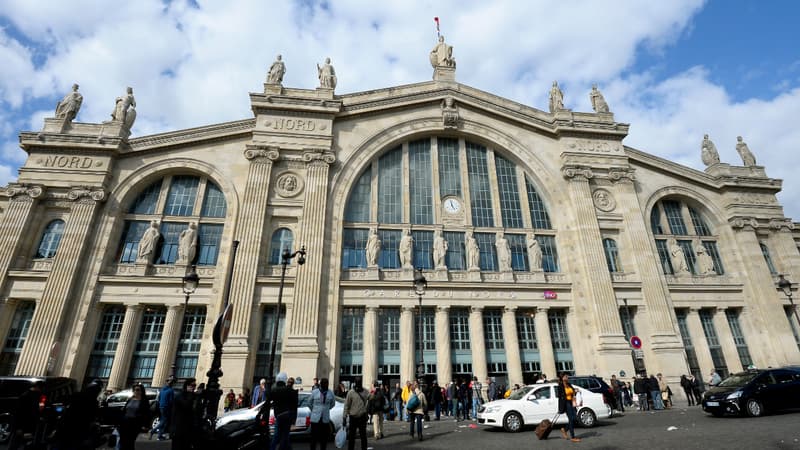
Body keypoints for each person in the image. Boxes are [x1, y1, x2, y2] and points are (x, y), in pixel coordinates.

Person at [8, 380, 43, 450]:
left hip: (29, 425)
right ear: (37, 387)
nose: (41, 391)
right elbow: (18, 412)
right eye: (41, 389)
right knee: (16, 443)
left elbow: (37, 410)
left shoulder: (36, 396)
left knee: (26, 443)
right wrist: (18, 427)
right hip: (22, 425)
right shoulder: (25, 396)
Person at [270, 372, 298, 450]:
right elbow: (294, 407)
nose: (289, 383)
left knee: (281, 435)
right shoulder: (291, 391)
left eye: (290, 382)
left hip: (282, 415)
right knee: (284, 435)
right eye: (289, 382)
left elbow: (294, 407)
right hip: (285, 415)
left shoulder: (288, 391)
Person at [118, 383, 151, 450]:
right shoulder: (130, 399)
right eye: (134, 390)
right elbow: (125, 410)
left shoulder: (144, 401)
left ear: (141, 391)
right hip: (125, 422)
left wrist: (145, 425)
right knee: (123, 441)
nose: (136, 391)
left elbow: (146, 414)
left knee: (130, 442)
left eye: (138, 390)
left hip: (135, 424)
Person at [171, 378, 198, 450]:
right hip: (179, 428)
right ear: (187, 385)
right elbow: (186, 405)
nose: (194, 387)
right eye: (192, 385)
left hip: (189, 428)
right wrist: (190, 394)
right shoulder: (180, 396)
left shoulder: (193, 396)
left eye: (195, 385)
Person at [343, 377, 369, 450]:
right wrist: (344, 417)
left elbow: (371, 399)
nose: (358, 383)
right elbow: (346, 405)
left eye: (360, 382)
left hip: (362, 417)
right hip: (353, 417)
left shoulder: (365, 391)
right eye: (357, 382)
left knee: (363, 436)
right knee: (351, 436)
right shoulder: (350, 392)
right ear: (355, 382)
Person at [309, 378, 335, 450]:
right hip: (315, 419)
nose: (326, 385)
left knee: (324, 439)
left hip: (325, 419)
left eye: (327, 383)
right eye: (324, 383)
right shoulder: (315, 392)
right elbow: (309, 402)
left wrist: (326, 409)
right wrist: (314, 410)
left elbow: (333, 403)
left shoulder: (330, 393)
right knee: (313, 438)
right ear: (321, 384)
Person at [556, 372, 581, 442]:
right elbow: (560, 397)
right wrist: (560, 408)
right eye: (566, 376)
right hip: (566, 403)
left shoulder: (569, 384)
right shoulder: (560, 386)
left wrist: (575, 391)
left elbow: (573, 392)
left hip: (571, 402)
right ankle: (573, 437)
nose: (567, 377)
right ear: (562, 378)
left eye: (567, 376)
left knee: (574, 418)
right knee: (571, 419)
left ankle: (565, 429)